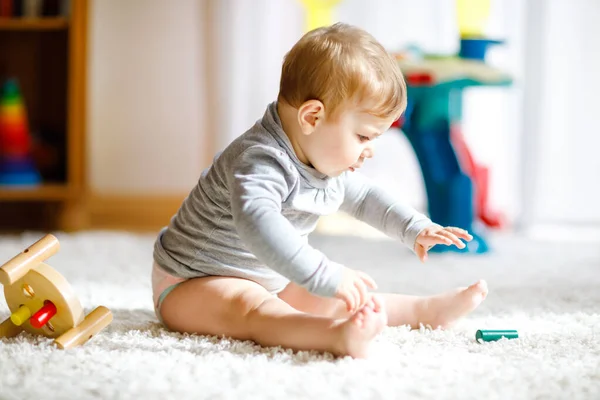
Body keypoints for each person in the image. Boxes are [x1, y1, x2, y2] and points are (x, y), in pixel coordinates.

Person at [151, 23, 488, 359]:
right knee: (252, 307)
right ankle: (335, 338)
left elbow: (364, 196)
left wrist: (414, 227)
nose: (370, 150)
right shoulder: (259, 161)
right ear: (312, 117)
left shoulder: (315, 155)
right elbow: (258, 222)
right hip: (191, 283)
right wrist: (322, 272)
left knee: (337, 297)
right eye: (363, 137)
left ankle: (424, 312)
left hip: (266, 276)